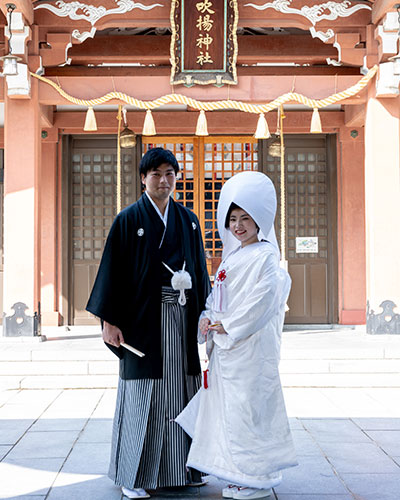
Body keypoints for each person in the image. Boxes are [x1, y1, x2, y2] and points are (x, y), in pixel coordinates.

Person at [86, 147, 211, 499]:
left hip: (181, 320)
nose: (163, 180)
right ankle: (133, 473)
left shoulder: (188, 219)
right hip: (141, 321)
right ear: (143, 178)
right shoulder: (128, 219)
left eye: (170, 174)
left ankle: (184, 470)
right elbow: (112, 271)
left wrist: (205, 314)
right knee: (143, 396)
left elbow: (200, 271)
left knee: (182, 394)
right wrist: (109, 320)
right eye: (156, 174)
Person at [176, 171, 298, 500]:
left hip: (251, 349)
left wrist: (229, 325)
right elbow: (219, 299)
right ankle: (240, 473)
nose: (238, 226)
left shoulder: (267, 258)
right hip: (227, 351)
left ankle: (255, 477)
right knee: (230, 412)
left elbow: (263, 300)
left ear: (260, 221)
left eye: (246, 218)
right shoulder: (233, 256)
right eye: (233, 219)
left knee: (249, 410)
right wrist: (207, 318)